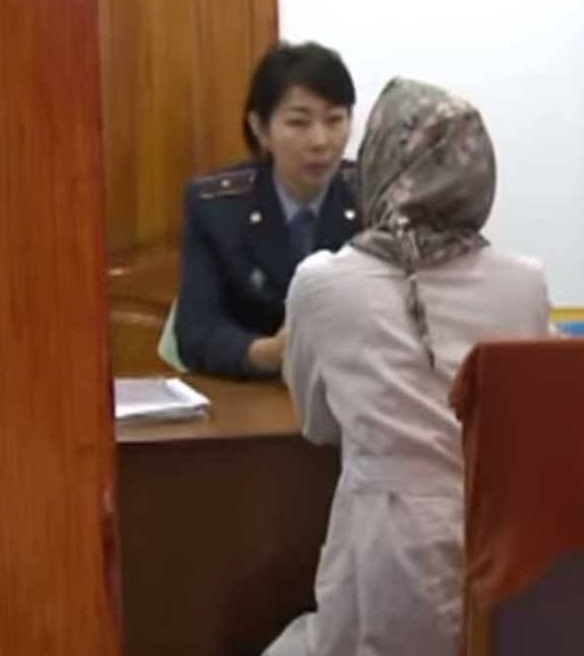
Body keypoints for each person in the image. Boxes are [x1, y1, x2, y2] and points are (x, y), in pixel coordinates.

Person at [264, 78, 552, 656]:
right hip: (503, 540)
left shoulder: (322, 284)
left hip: (386, 548)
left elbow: (317, 425)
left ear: (378, 163)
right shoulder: (526, 282)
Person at [174, 41, 361, 379]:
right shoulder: (215, 208)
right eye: (299, 123)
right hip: (253, 395)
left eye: (335, 120)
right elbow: (196, 334)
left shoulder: (373, 198)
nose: (320, 141)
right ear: (260, 128)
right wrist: (268, 353)